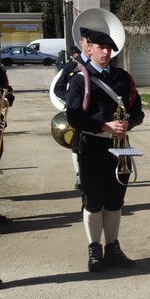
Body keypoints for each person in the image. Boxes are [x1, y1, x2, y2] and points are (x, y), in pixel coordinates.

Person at [66, 28, 144, 273]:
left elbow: (138, 111)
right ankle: (94, 250)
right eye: (101, 48)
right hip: (92, 146)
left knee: (115, 201)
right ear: (89, 49)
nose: (106, 52)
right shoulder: (80, 78)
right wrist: (103, 125)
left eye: (109, 48)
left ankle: (112, 248)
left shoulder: (122, 77)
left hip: (120, 146)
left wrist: (127, 124)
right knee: (93, 201)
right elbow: (73, 116)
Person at [53, 30, 92, 189]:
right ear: (81, 43)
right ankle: (79, 176)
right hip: (77, 113)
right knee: (77, 146)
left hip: (96, 114)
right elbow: (58, 88)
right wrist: (72, 99)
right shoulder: (72, 65)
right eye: (87, 42)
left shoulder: (102, 65)